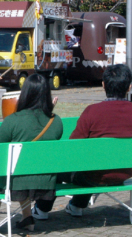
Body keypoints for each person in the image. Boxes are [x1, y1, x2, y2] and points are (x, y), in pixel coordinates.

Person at [0, 73, 63, 231]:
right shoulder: (56, 121)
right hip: (45, 182)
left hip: (15, 182)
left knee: (1, 169)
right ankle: (27, 218)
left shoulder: (13, 120)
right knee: (22, 166)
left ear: (25, 93)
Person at [33, 64, 132, 220]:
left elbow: (74, 146)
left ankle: (42, 209)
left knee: (56, 169)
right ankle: (76, 206)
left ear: (103, 85)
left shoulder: (92, 111)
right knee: (89, 167)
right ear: (129, 87)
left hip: (93, 175)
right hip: (125, 173)